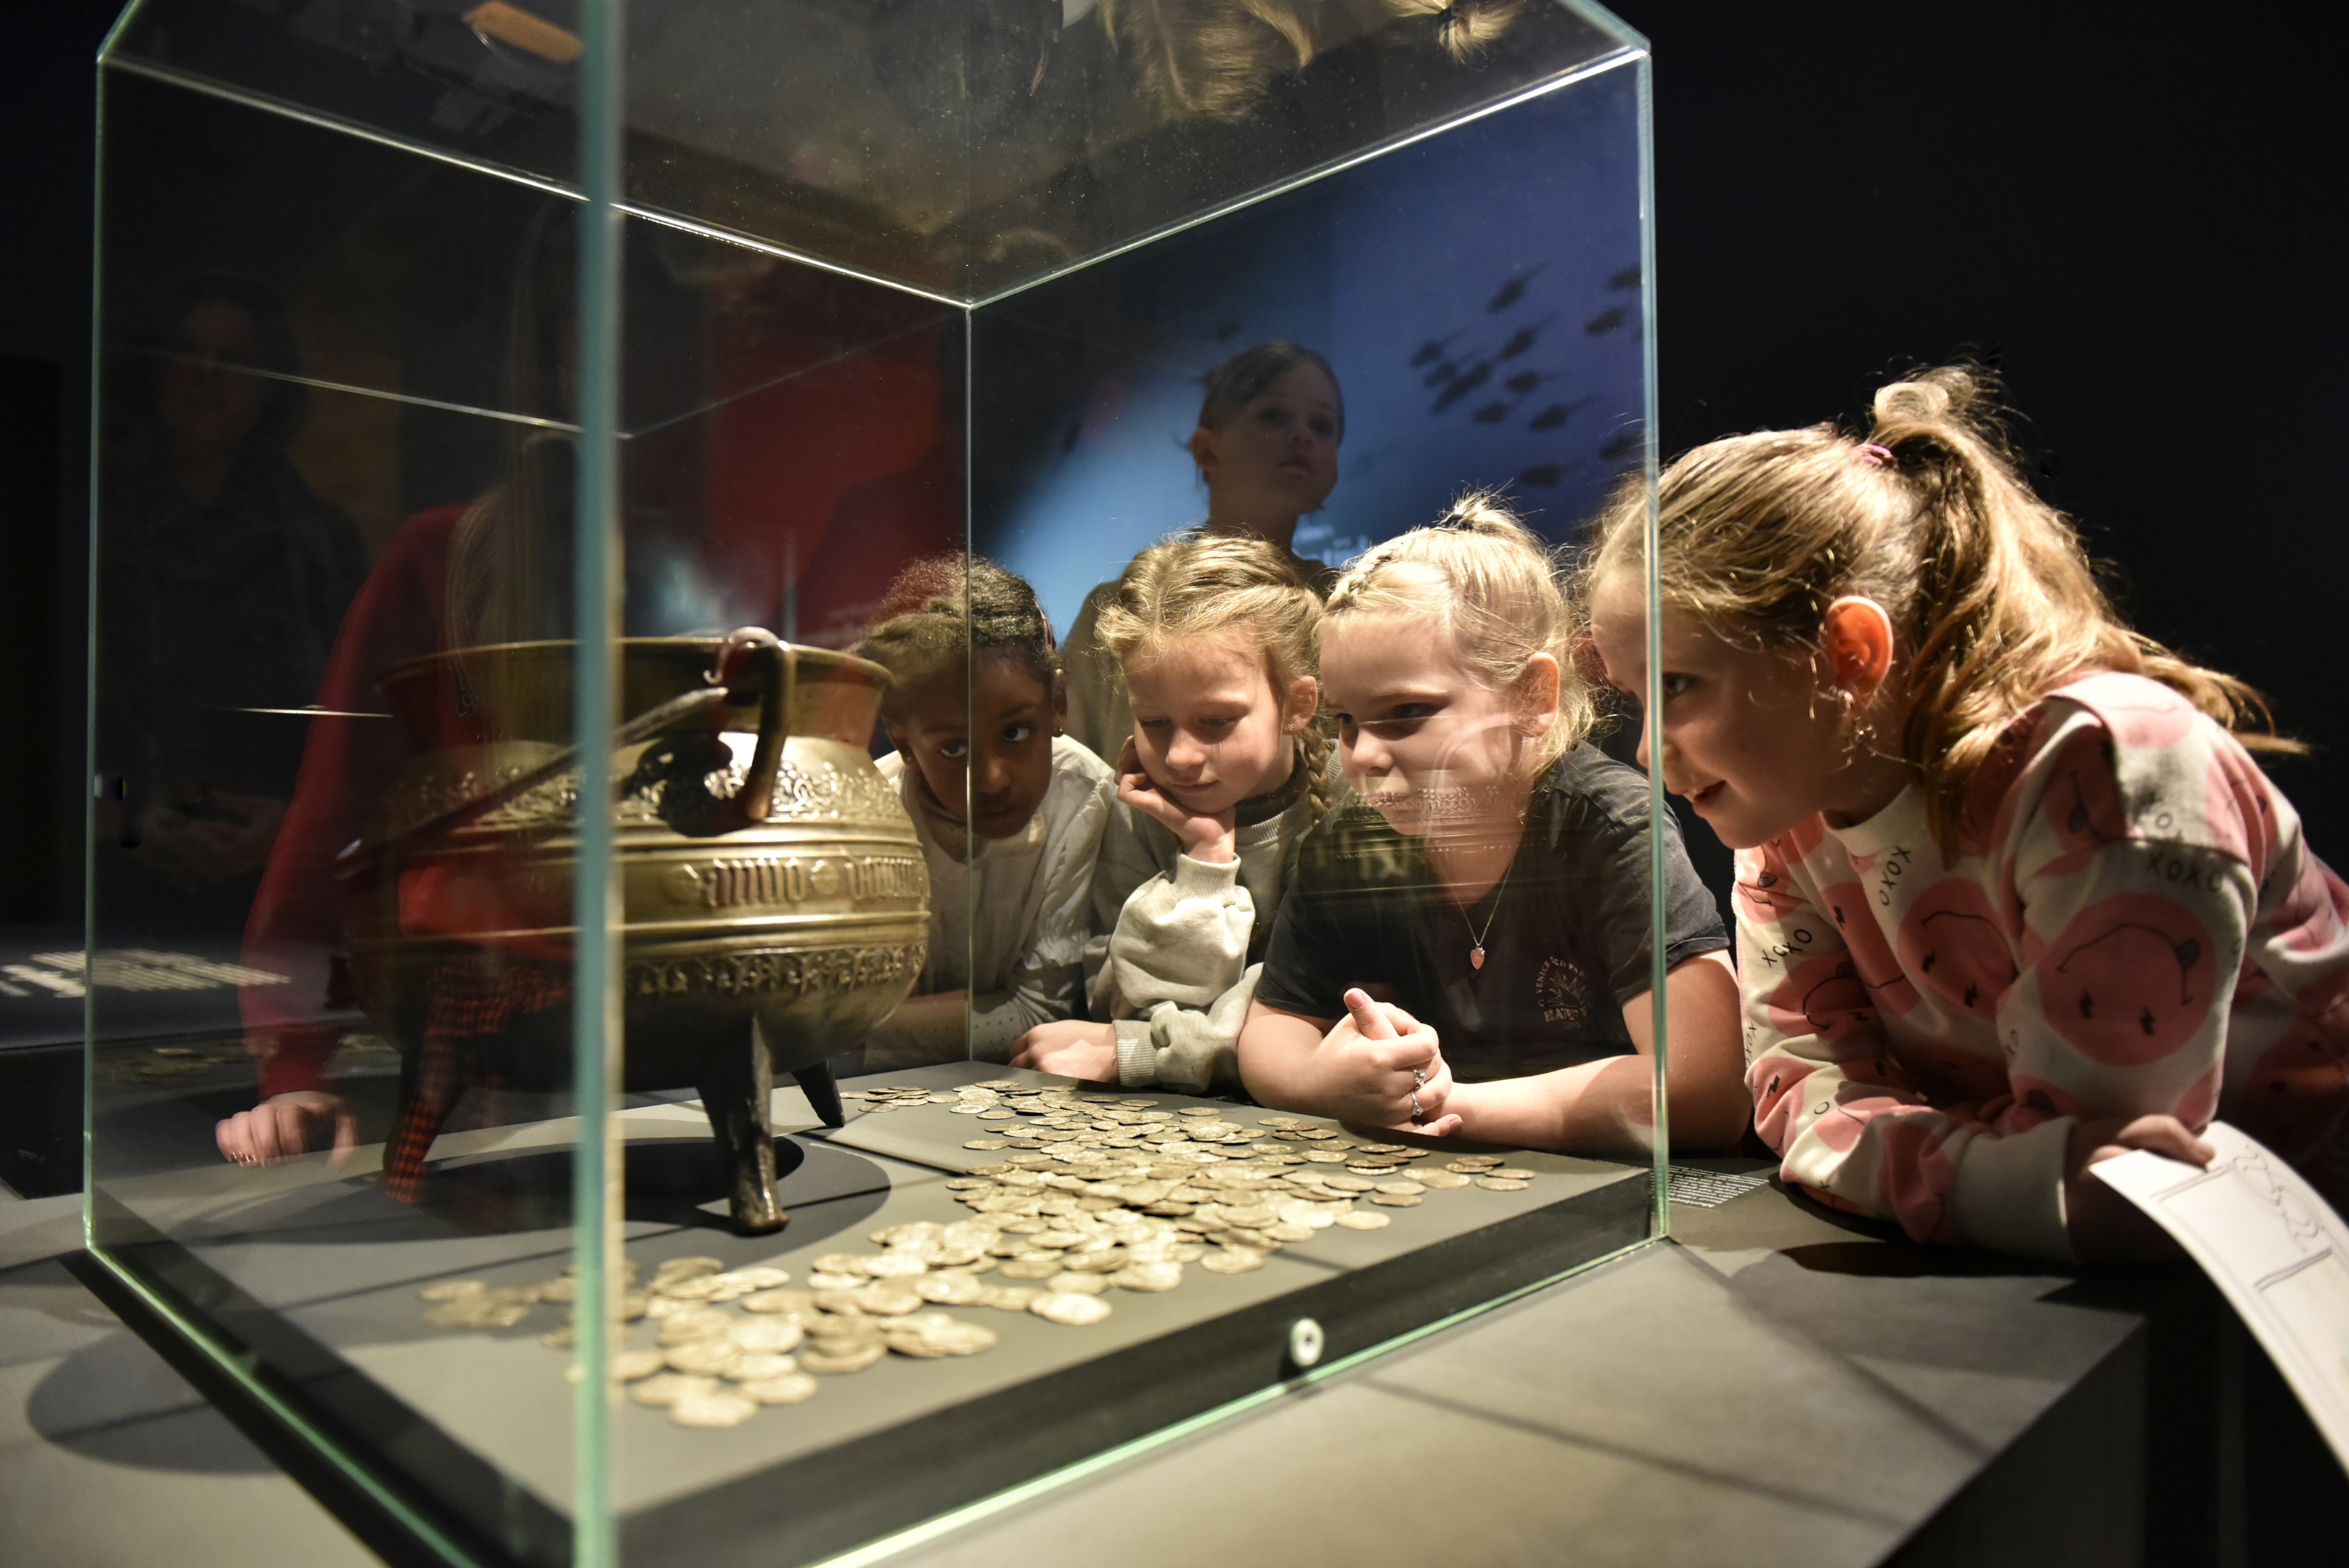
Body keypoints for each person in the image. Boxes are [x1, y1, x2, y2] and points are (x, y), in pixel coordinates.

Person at [1579, 365, 2349, 1262]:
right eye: (1636, 697)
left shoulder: (2106, 765)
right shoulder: (1782, 822)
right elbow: (1801, 1085)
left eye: (1676, 687)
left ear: (1850, 652)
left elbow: (2122, 1177)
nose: (1645, 752)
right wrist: (1996, 1170)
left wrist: (1927, 1152)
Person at [1235, 497, 1747, 1153]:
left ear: (1533, 696)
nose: (1363, 754)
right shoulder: (1349, 842)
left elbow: (1702, 1088)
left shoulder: (1610, 827)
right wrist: (1325, 1082)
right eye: (1346, 721)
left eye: (1407, 711)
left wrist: (1441, 1106)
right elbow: (1271, 1032)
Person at [1011, 534, 1329, 1090]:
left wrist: (1141, 1055)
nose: (1180, 756)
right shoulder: (1138, 812)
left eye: (1217, 721)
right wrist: (1206, 860)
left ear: (1298, 705)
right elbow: (1127, 1007)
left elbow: (1311, 1026)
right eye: (1155, 723)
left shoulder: (1351, 807)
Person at [857, 558, 1116, 1065]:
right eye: (954, 749)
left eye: (1015, 733)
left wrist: (856, 1025)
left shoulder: (1084, 797)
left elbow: (1042, 1013)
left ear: (1057, 703)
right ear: (904, 741)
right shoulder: (868, 811)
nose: (993, 779)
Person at [1061, 340, 1344, 766]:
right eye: (1273, 415)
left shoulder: (1342, 604)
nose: (1302, 434)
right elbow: (1072, 767)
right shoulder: (1120, 607)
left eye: (1323, 426)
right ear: (1208, 450)